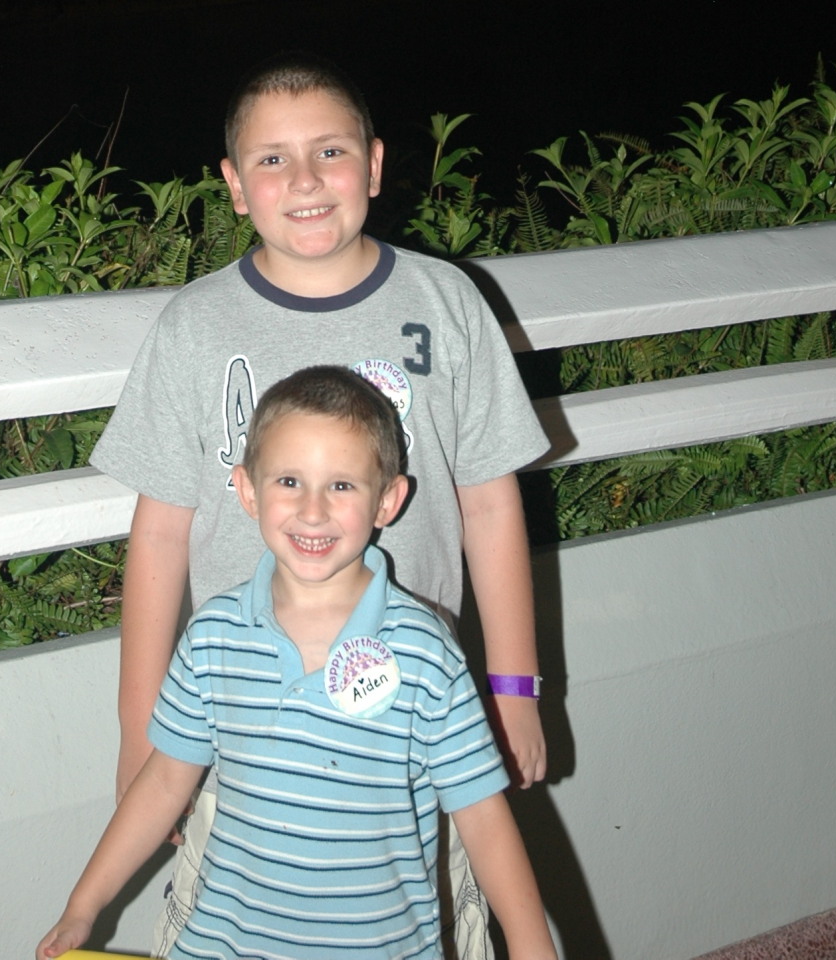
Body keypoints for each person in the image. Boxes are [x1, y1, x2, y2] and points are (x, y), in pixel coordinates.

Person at [90, 53, 549, 958]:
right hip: (238, 718)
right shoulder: (193, 326)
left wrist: (514, 687)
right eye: (270, 159)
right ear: (232, 186)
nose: (303, 180)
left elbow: (492, 508)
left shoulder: (445, 302)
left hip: (409, 721)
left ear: (374, 167)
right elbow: (159, 534)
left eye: (329, 152)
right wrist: (139, 729)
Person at [37, 368, 556, 960]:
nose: (313, 511)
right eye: (290, 481)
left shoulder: (424, 651)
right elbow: (161, 783)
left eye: (341, 486)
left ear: (387, 500)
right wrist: (83, 906)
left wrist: (531, 942)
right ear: (247, 490)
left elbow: (483, 817)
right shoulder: (214, 636)